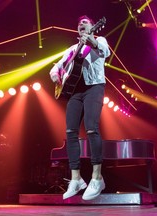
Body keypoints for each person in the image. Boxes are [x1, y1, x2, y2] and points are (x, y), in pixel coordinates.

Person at [49, 15, 110, 200]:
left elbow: (105, 52)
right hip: (75, 92)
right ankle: (76, 179)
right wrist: (54, 73)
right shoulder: (71, 49)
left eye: (85, 22)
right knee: (70, 132)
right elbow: (57, 65)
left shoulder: (99, 40)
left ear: (93, 26)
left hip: (94, 87)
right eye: (79, 24)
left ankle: (97, 177)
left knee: (92, 128)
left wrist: (91, 40)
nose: (81, 24)